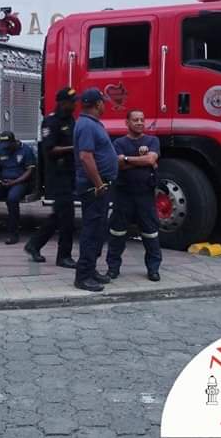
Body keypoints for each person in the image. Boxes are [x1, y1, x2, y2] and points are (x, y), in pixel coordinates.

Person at [105, 110, 163, 282]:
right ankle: (113, 268)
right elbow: (117, 164)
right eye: (135, 120)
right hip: (123, 195)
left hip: (145, 195)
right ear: (127, 123)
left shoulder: (153, 140)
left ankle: (153, 269)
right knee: (117, 233)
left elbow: (151, 160)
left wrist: (128, 160)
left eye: (142, 120)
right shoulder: (118, 143)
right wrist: (139, 159)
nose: (139, 122)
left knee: (151, 234)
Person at [24, 87, 78, 268]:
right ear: (62, 103)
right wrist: (74, 148)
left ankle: (34, 244)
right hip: (57, 176)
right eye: (71, 102)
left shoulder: (71, 120)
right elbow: (50, 149)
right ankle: (64, 256)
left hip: (70, 174)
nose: (74, 105)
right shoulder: (50, 122)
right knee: (67, 217)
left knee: (59, 215)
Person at [73, 88, 118, 292]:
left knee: (98, 230)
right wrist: (99, 183)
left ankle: (90, 270)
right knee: (91, 231)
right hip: (94, 187)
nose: (105, 105)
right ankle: (83, 276)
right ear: (97, 104)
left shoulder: (90, 124)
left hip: (99, 185)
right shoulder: (87, 125)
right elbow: (85, 156)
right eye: (103, 102)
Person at [0, 131, 36, 244]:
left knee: (12, 199)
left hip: (20, 182)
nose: (6, 146)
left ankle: (13, 234)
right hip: (3, 182)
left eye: (8, 144)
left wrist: (14, 182)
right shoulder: (1, 149)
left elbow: (29, 171)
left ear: (13, 141)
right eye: (4, 144)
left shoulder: (26, 150)